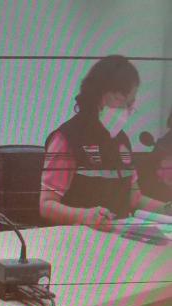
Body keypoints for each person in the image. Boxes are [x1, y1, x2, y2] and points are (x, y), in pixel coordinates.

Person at [40, 55, 166, 229]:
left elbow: (134, 198)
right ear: (97, 95)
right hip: (78, 237)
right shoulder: (67, 138)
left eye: (130, 103)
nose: (126, 110)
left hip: (118, 234)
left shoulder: (121, 141)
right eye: (120, 100)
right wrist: (83, 216)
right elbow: (46, 205)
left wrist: (167, 208)